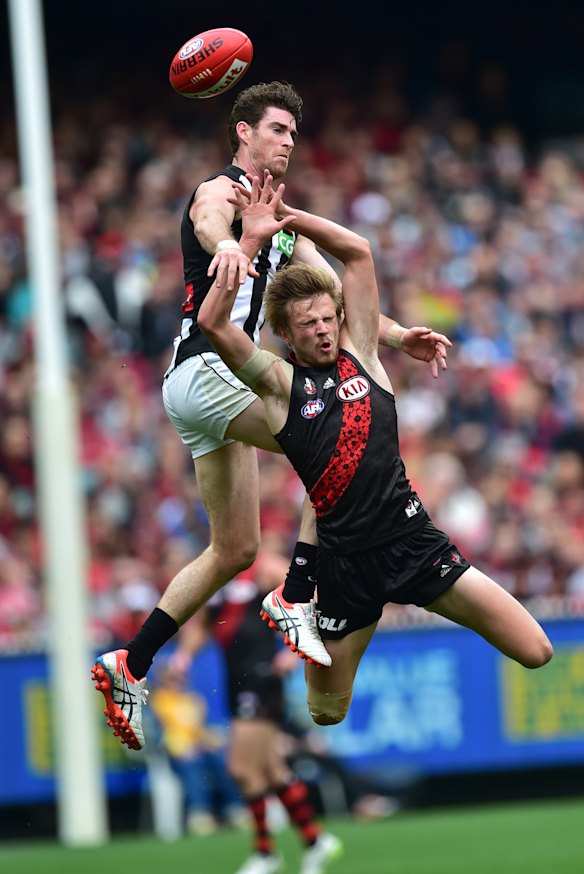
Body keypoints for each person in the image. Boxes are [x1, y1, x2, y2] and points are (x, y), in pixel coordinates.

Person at [91, 81, 452, 750]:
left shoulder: (282, 220)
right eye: (277, 129)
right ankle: (295, 593)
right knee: (342, 440)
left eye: (292, 133)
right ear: (244, 132)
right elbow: (207, 219)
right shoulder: (222, 192)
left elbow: (336, 297)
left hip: (199, 389)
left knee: (235, 549)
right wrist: (228, 246)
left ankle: (129, 663)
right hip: (211, 368)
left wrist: (400, 336)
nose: (288, 142)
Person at [196, 172, 554, 730]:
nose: (322, 330)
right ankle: (310, 610)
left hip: (413, 543)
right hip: (345, 570)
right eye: (308, 324)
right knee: (326, 712)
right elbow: (212, 321)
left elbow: (358, 253)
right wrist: (247, 243)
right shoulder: (279, 385)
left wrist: (289, 219)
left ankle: (308, 602)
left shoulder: (362, 354)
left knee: (537, 650)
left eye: (328, 318)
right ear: (287, 335)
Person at [175, 545, 343, 874]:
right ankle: (314, 840)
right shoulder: (218, 572)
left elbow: (316, 598)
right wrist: (184, 657)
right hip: (236, 681)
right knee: (270, 769)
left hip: (262, 679)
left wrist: (297, 648)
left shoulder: (264, 568)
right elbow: (204, 624)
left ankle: (265, 852)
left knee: (240, 767)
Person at [148, 662, 247, 836]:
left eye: (180, 678)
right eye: (172, 679)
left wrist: (211, 740)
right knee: (192, 764)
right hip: (176, 753)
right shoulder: (157, 702)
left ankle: (235, 809)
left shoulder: (193, 699)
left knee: (223, 760)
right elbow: (157, 734)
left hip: (200, 747)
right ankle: (199, 814)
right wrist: (180, 746)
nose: (178, 682)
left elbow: (202, 728)